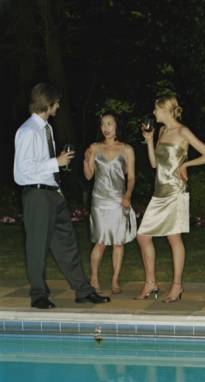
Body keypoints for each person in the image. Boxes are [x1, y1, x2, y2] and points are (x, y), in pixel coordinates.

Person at [14, 82, 110, 309]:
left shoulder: (46, 128)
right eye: (57, 103)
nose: (58, 107)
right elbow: (21, 171)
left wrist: (58, 188)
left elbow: (41, 165)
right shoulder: (27, 131)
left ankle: (83, 291)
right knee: (37, 247)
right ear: (48, 103)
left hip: (53, 195)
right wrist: (56, 162)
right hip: (36, 195)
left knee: (67, 245)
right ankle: (39, 295)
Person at [137, 95, 205, 302]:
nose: (154, 113)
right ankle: (151, 283)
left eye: (156, 109)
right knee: (143, 235)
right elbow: (154, 165)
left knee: (174, 239)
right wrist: (149, 141)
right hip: (159, 191)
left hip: (175, 191)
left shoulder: (183, 131)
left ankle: (177, 286)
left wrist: (186, 165)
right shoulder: (162, 131)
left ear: (166, 109)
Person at [83, 112, 137, 294]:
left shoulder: (126, 149)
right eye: (103, 124)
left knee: (118, 243)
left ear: (116, 126)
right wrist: (86, 159)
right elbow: (88, 175)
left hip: (118, 200)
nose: (106, 128)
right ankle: (94, 277)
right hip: (99, 200)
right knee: (100, 241)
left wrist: (128, 195)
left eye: (109, 124)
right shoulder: (95, 148)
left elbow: (131, 177)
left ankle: (115, 280)